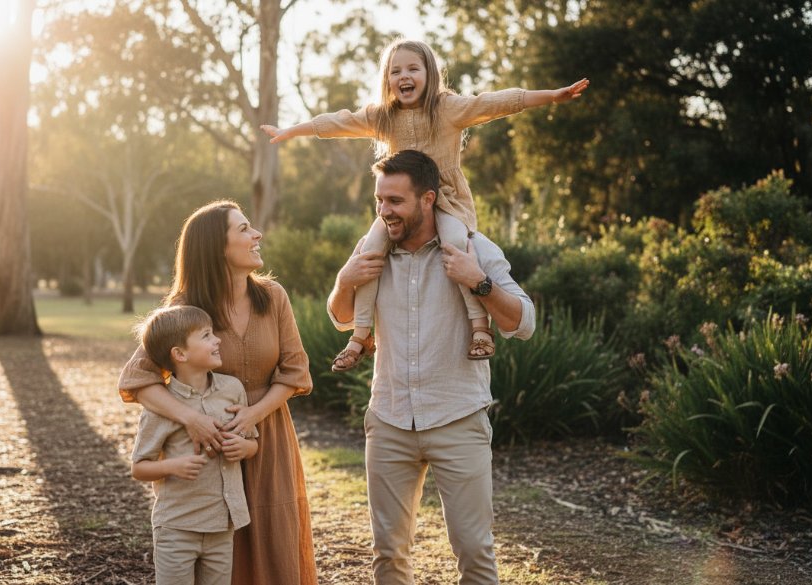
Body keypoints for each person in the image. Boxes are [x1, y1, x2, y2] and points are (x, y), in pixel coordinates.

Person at [262, 37, 584, 371]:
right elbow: (339, 121)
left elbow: (494, 103)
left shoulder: (447, 108)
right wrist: (291, 130)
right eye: (395, 70)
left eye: (413, 68)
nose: (404, 76)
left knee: (457, 243)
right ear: (387, 79)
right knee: (369, 251)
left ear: (429, 74)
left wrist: (552, 96)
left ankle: (479, 328)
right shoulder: (383, 117)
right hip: (404, 205)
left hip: (445, 201)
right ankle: (359, 336)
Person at [327, 150, 536, 584]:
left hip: (457, 418)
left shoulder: (474, 248)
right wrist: (345, 280)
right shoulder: (371, 250)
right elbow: (341, 317)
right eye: (380, 201)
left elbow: (524, 323)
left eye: (395, 201)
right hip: (388, 420)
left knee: (475, 552)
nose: (385, 211)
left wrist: (478, 281)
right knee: (387, 552)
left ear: (428, 198)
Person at [117, 201, 317, 585]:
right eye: (243, 229)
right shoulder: (184, 310)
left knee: (274, 539)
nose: (256, 235)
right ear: (215, 247)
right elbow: (137, 380)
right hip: (206, 450)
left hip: (266, 438)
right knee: (223, 556)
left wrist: (253, 415)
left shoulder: (273, 297)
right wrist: (192, 419)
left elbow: (295, 372)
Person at [130, 305, 259, 585]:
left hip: (221, 526)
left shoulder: (232, 390)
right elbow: (139, 468)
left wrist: (243, 448)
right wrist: (172, 466)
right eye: (206, 336)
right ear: (180, 354)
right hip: (177, 527)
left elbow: (252, 444)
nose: (218, 340)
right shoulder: (162, 406)